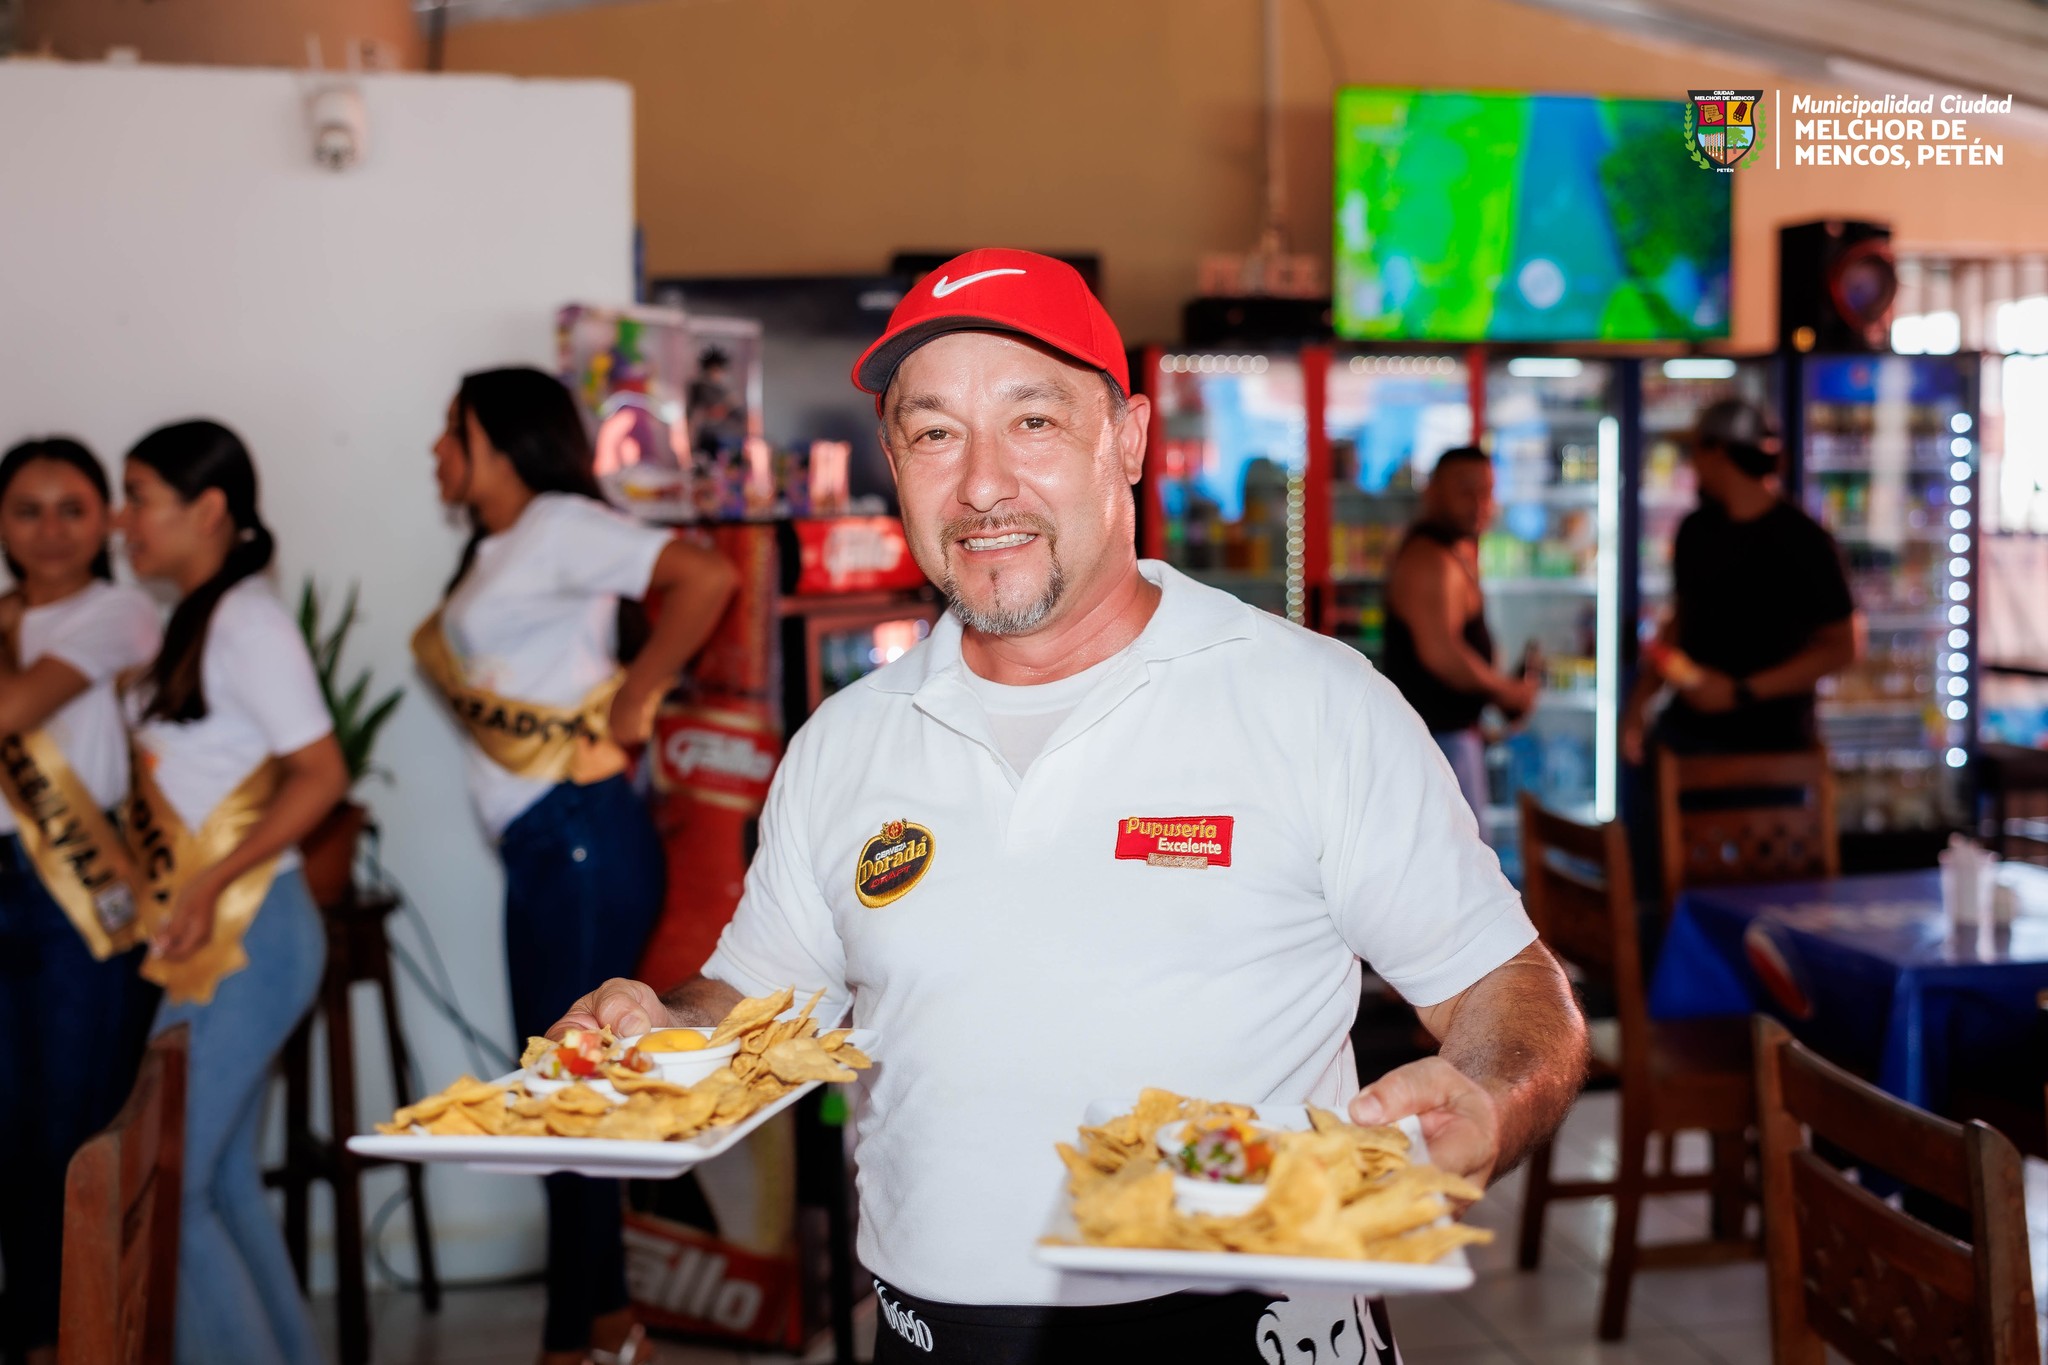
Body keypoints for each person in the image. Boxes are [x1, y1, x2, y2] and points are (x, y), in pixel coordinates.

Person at [550, 250, 1588, 1364]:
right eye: (934, 434)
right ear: (893, 463)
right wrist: (661, 1030)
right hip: (930, 1338)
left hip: (1255, 1326)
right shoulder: (844, 744)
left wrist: (1489, 1098)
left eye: (1033, 421)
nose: (981, 485)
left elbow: (1510, 989)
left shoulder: (1314, 702)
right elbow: (755, 1001)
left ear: (1128, 439)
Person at [419, 367, 737, 1365]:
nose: (436, 450)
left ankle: (576, 1341)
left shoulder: (558, 524)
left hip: (580, 837)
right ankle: (606, 1329)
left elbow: (705, 578)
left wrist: (636, 700)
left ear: (501, 440)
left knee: (568, 1098)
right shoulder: (498, 546)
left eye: (452, 430)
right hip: (549, 846)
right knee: (563, 1093)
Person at [122, 420, 347, 1365]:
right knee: (217, 1182)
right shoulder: (199, 616)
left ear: (208, 508)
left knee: (173, 1187)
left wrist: (212, 877)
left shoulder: (247, 623)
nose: (125, 520)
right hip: (231, 934)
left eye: (139, 497)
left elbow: (322, 772)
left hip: (249, 932)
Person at [0, 438, 162, 1365]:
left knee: (75, 1126)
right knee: (8, 1129)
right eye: (27, 509)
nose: (52, 529)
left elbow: (14, 709)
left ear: (105, 520)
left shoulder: (120, 610)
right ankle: (31, 1331)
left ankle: (76, 1338)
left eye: (74, 508)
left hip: (78, 896)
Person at [1622, 398, 1862, 762]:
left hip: (1774, 743)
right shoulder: (1696, 531)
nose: (1693, 462)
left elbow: (1844, 647)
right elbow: (1682, 621)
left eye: (1696, 450)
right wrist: (1641, 700)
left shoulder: (1805, 541)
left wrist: (1741, 691)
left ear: (1718, 452)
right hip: (1688, 734)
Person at [1381, 445, 1538, 814]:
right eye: (1466, 491)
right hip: (1436, 743)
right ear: (1432, 492)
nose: (1480, 504)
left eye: (1487, 492)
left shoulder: (1452, 551)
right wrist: (1506, 691)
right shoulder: (1428, 558)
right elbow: (1442, 655)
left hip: (1451, 739)